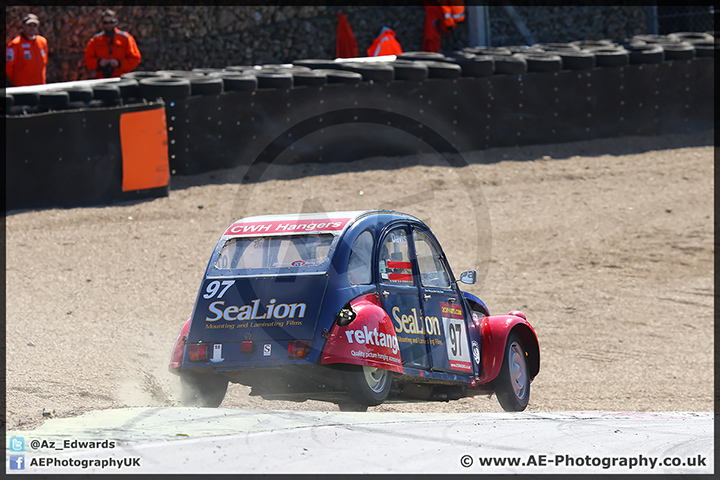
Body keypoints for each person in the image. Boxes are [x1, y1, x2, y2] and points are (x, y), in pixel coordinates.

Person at [83, 9, 141, 79]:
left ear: (116, 22)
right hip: (102, 79)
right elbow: (87, 60)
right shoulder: (95, 40)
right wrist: (99, 62)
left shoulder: (126, 38)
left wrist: (119, 64)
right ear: (102, 23)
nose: (109, 25)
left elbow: (135, 59)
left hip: (122, 79)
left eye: (111, 22)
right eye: (106, 23)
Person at [6, 13, 48, 87]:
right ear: (23, 26)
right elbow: (8, 66)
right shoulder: (15, 44)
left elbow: (44, 61)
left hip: (40, 85)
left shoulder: (42, 41)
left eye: (34, 25)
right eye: (29, 25)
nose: (32, 28)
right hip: (23, 86)